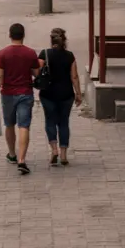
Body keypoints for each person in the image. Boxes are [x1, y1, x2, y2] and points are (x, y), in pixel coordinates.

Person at [0, 23, 40, 175]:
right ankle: (22, 160)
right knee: (24, 126)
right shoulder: (31, 53)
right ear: (23, 35)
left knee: (9, 124)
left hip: (8, 94)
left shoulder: (3, 53)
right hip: (25, 93)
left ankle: (12, 154)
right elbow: (36, 73)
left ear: (10, 35)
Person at [37, 28, 82, 166]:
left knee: (50, 121)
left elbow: (37, 72)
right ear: (64, 40)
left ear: (51, 40)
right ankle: (63, 154)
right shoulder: (70, 56)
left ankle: (54, 150)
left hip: (48, 94)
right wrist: (78, 94)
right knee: (63, 122)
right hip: (66, 94)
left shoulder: (44, 54)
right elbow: (74, 76)